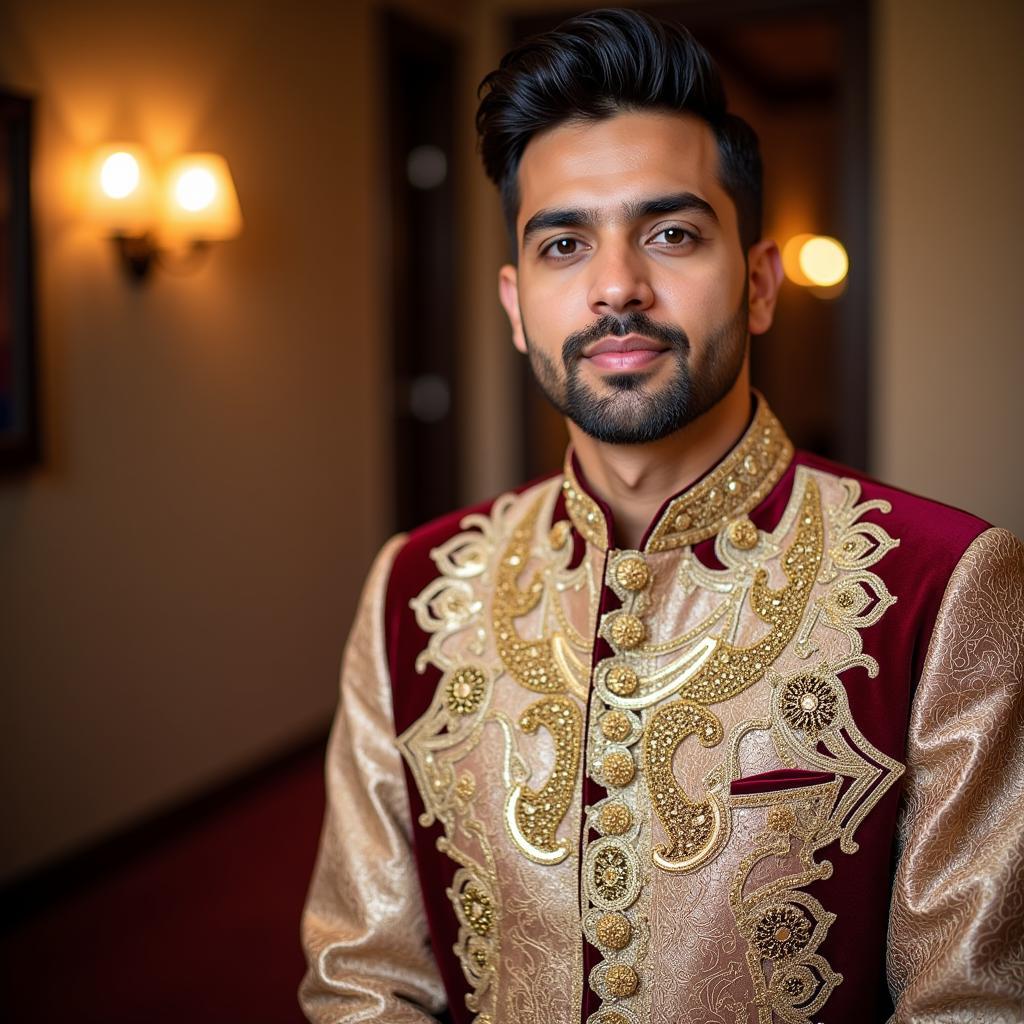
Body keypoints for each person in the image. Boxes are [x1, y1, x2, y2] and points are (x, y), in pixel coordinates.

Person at [299, 10, 1024, 1023]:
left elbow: (975, 1004)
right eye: (563, 243)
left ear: (759, 283)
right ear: (515, 307)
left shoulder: (945, 585)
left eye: (671, 233)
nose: (614, 288)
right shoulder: (415, 586)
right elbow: (361, 978)